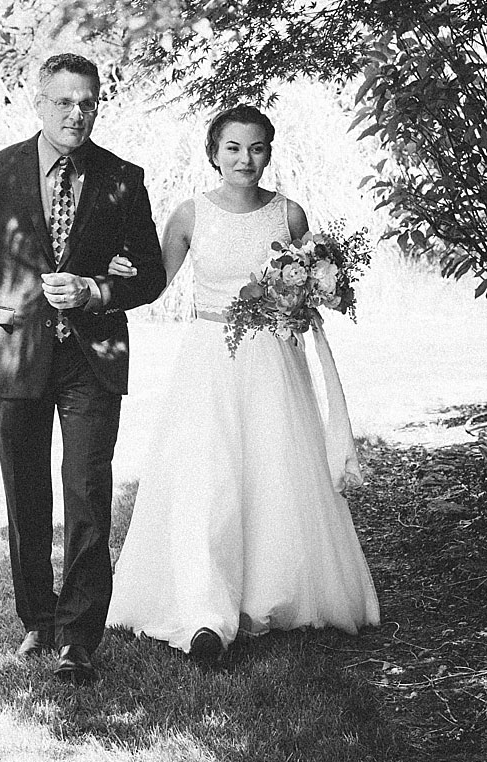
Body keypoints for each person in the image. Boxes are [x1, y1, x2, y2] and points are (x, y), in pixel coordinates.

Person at [107, 104, 380, 661]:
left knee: (275, 471)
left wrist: (318, 288)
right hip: (210, 359)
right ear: (214, 154)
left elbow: (321, 285)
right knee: (207, 476)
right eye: (232, 148)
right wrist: (115, 276)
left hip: (276, 360)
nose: (244, 159)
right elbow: (155, 284)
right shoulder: (189, 215)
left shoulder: (289, 215)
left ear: (269, 153)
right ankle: (203, 609)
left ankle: (270, 592)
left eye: (256, 148)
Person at [0, 52, 166, 682]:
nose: (77, 113)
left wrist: (98, 291)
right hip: (14, 355)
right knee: (26, 492)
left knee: (88, 491)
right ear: (39, 104)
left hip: (94, 360)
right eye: (63, 102)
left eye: (88, 101)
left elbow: (150, 272)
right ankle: (37, 621)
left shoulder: (123, 177)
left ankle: (79, 636)